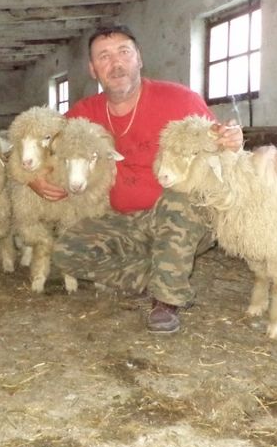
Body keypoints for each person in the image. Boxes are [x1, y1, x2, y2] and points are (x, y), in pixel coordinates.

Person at [34, 25, 243, 334]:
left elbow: (217, 141)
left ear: (139, 58)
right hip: (126, 221)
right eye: (104, 57)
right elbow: (33, 142)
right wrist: (33, 177)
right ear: (93, 69)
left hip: (183, 219)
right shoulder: (84, 113)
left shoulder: (179, 100)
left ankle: (167, 300)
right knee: (68, 251)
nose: (116, 63)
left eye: (124, 52)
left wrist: (231, 140)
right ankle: (160, 274)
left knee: (179, 198)